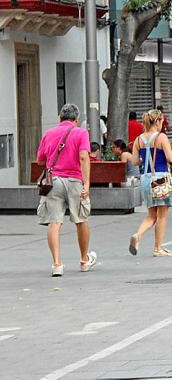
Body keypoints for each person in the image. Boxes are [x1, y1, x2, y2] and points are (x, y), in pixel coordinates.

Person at [36, 104, 97, 277]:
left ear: (60, 118)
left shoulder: (49, 133)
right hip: (74, 180)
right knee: (81, 219)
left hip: (53, 181)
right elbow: (84, 157)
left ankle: (57, 264)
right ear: (77, 119)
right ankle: (84, 260)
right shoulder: (81, 133)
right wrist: (86, 183)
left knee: (54, 222)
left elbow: (40, 160)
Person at [128, 109, 172, 257]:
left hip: (145, 179)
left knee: (151, 215)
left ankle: (137, 235)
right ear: (158, 121)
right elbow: (170, 158)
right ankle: (158, 248)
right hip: (160, 179)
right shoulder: (161, 137)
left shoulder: (138, 140)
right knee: (162, 215)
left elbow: (135, 161)